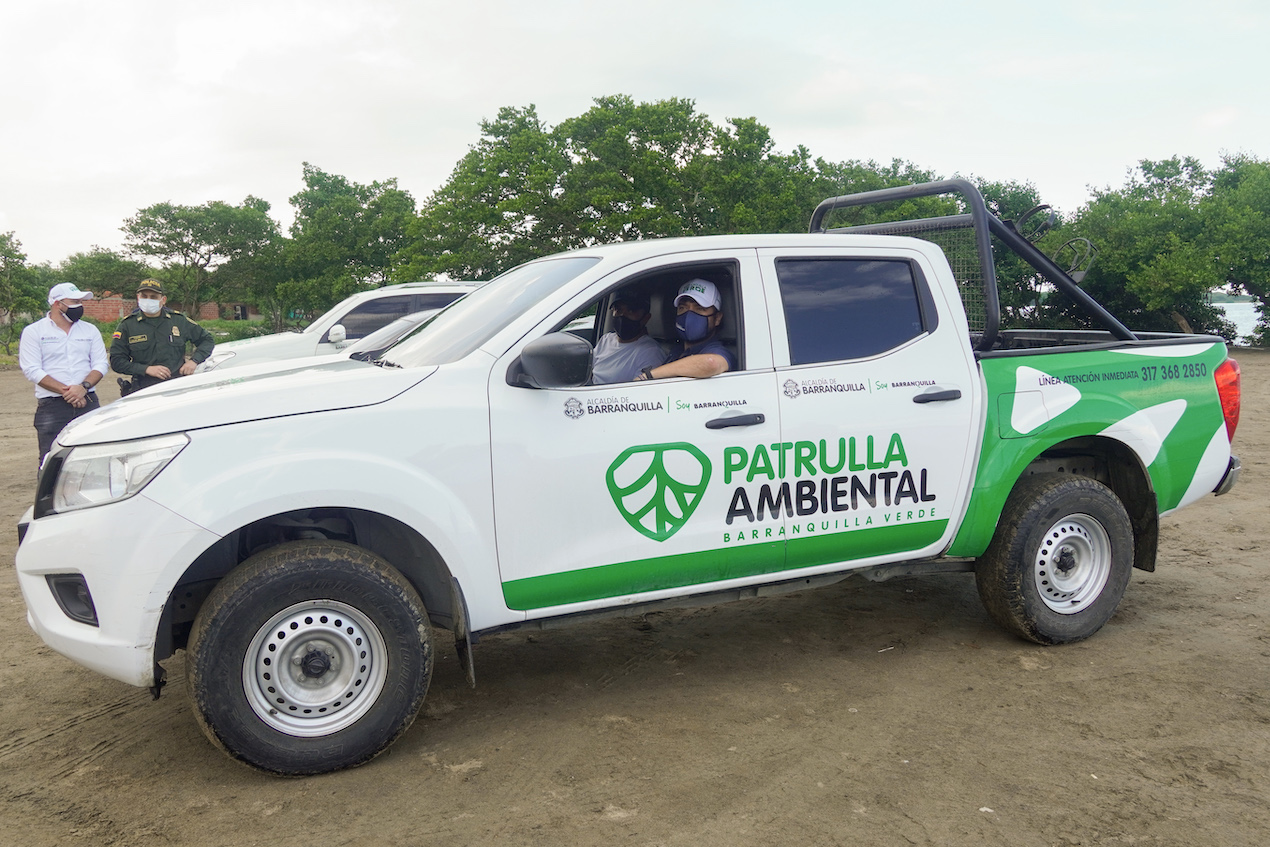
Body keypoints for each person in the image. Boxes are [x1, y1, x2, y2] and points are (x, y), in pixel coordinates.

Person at [19, 282, 109, 466]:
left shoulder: (90, 330)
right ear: (57, 303)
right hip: (52, 407)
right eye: (74, 301)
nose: (79, 306)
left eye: (81, 301)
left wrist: (83, 388)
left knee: (94, 460)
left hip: (88, 401)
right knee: (52, 460)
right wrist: (69, 391)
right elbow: (32, 369)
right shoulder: (34, 332)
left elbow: (101, 364)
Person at [110, 280, 215, 394]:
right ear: (138, 297)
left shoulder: (178, 320)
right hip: (144, 388)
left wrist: (194, 361)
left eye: (153, 297)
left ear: (163, 300)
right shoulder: (127, 325)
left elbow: (207, 340)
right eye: (144, 296)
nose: (148, 300)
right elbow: (117, 361)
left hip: (177, 386)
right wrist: (146, 369)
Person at [635, 279, 735, 380]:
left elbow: (711, 363)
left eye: (700, 308)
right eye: (683, 308)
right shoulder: (677, 351)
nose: (689, 315)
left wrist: (648, 376)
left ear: (717, 318)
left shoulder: (717, 350)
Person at [590, 290, 666, 385]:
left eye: (631, 311)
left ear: (646, 318)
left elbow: (637, 392)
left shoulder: (650, 352)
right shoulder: (606, 340)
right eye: (618, 309)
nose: (622, 316)